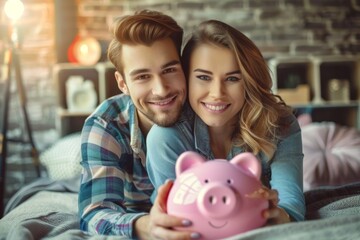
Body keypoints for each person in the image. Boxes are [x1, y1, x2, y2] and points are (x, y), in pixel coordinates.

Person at [146, 19, 306, 230]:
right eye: (203, 77)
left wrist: (279, 215)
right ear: (186, 79)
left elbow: (291, 205)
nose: (217, 94)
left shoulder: (280, 124)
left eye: (232, 79)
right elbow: (177, 217)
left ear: (248, 82)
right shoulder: (166, 138)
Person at [78, 10, 200, 240]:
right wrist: (148, 226)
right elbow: (93, 213)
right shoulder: (105, 126)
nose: (162, 89)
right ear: (123, 83)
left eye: (170, 70)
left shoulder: (207, 106)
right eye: (143, 76)